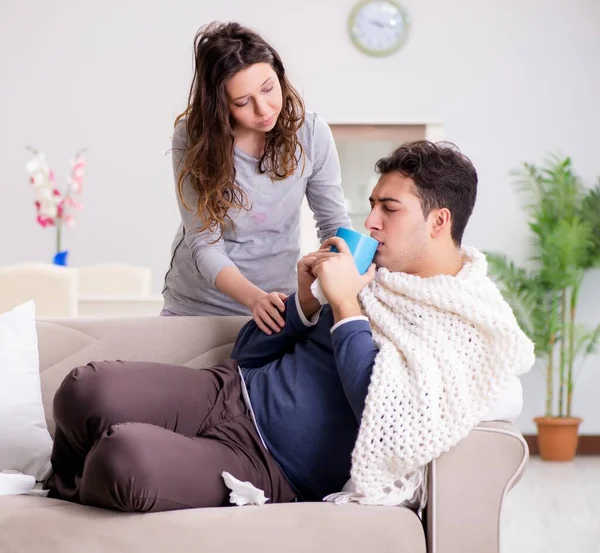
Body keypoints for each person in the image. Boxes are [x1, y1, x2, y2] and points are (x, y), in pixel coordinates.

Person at [45, 141, 534, 512]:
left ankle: (71, 486)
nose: (372, 222)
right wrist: (303, 298)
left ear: (438, 221)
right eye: (372, 204)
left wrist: (345, 306)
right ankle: (62, 482)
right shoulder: (367, 273)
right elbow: (249, 354)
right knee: (85, 389)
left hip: (269, 466)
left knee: (124, 461)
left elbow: (386, 418)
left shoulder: (466, 322)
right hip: (230, 390)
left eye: (390, 208)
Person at [161, 21, 351, 334]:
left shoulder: (312, 133)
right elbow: (204, 241)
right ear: (220, 104)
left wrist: (346, 281)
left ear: (279, 75)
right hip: (199, 305)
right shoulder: (192, 138)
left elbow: (334, 224)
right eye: (242, 102)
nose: (263, 109)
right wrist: (254, 299)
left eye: (268, 89)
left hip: (278, 303)